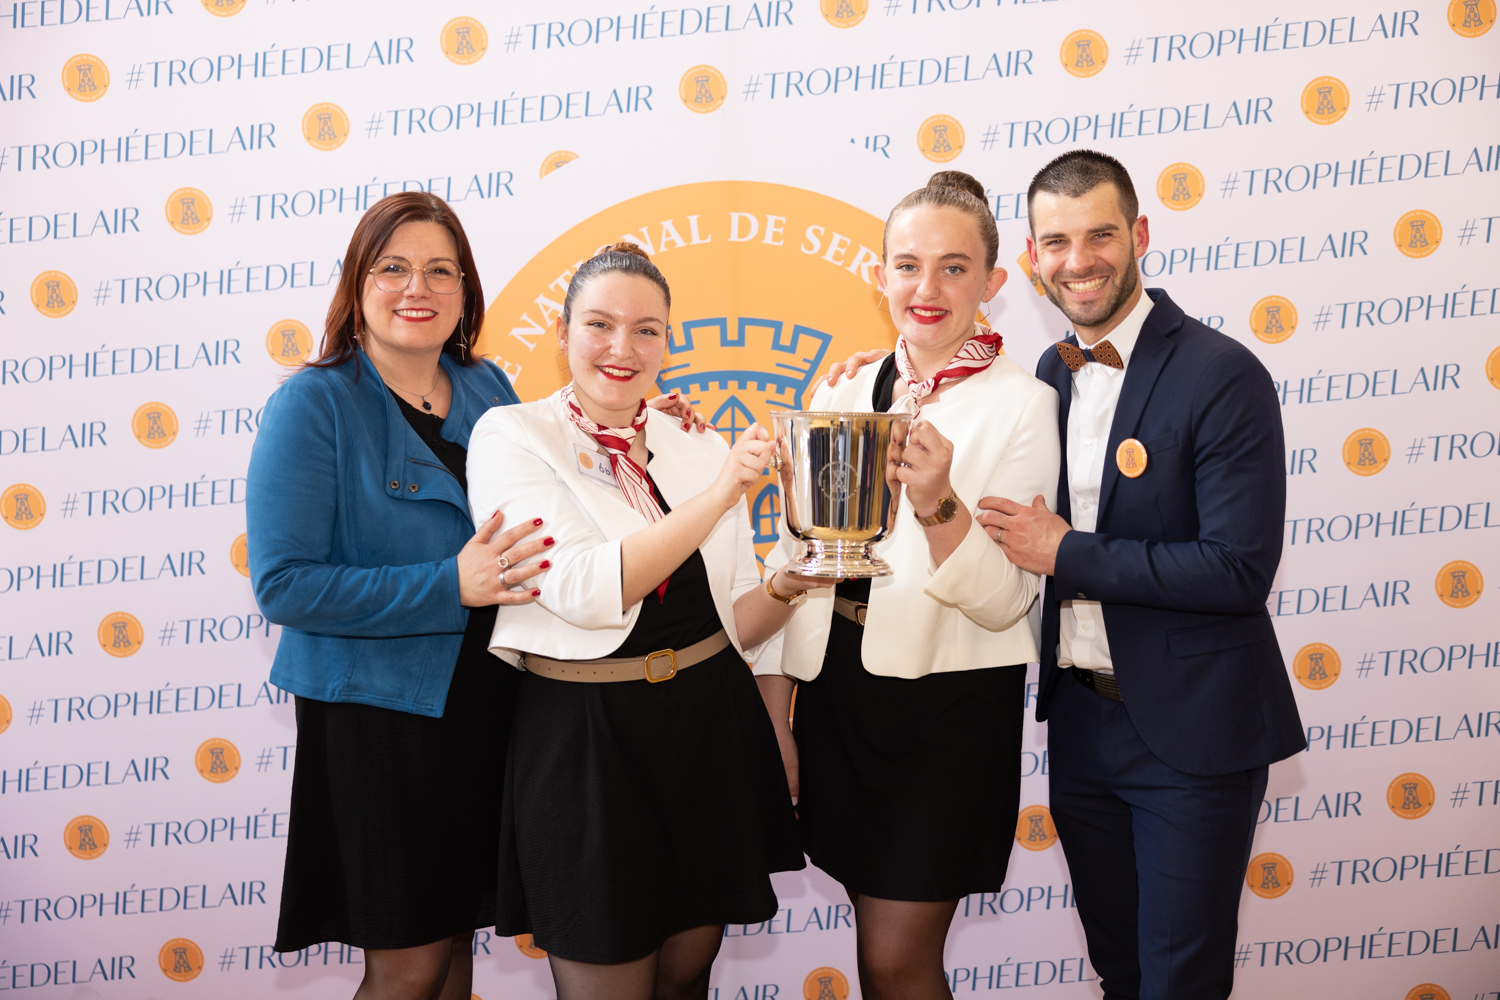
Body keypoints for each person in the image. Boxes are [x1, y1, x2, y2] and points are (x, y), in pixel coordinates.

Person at [247, 194, 704, 1000]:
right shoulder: (312, 404)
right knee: (410, 965)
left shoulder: (485, 384)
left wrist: (645, 422)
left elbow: (567, 458)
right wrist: (446, 585)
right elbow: (284, 584)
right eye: (392, 268)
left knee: (455, 947)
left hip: (491, 708)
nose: (415, 286)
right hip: (379, 723)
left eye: (439, 270)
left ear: (466, 291)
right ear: (357, 283)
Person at [978, 150, 1305, 1000]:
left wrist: (1066, 554)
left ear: (1141, 237)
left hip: (1192, 738)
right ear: (1032, 255)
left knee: (1177, 984)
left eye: (1100, 235)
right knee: (1120, 973)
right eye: (1056, 241)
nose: (1078, 261)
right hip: (1082, 731)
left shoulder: (1221, 372)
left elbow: (1237, 569)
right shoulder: (1050, 372)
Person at [466, 242, 824, 1000]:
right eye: (599, 324)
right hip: (586, 746)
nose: (622, 348)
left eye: (647, 330)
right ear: (563, 334)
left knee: (685, 978)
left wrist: (793, 582)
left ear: (669, 340)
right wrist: (723, 492)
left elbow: (731, 621)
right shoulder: (512, 437)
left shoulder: (692, 439)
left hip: (703, 732)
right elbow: (588, 591)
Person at [755, 171, 1060, 1000]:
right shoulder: (843, 389)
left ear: (995, 284)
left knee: (897, 962)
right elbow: (799, 563)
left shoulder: (1023, 406)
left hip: (946, 713)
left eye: (955, 268)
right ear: (880, 275)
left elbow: (1005, 601)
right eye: (908, 265)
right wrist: (777, 709)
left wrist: (938, 504)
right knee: (873, 950)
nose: (927, 289)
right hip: (837, 696)